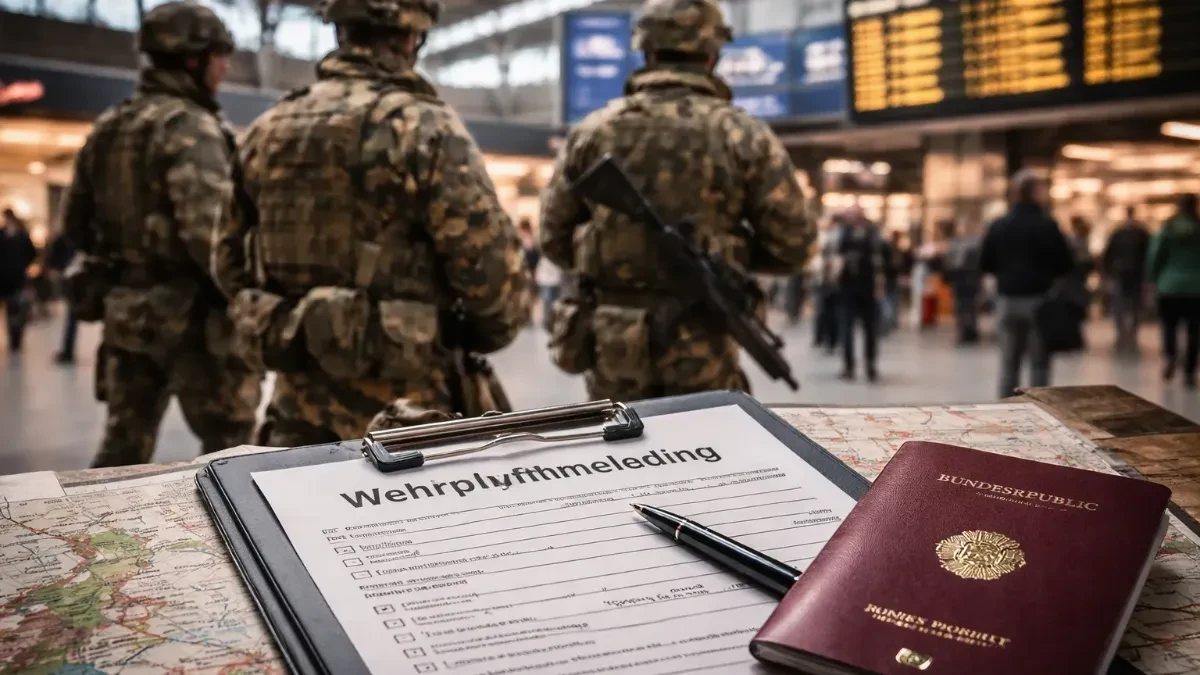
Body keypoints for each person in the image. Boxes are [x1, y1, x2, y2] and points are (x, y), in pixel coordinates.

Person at [214, 0, 530, 445]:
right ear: (410, 38)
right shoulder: (426, 127)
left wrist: (297, 323)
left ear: (341, 32)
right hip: (407, 416)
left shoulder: (268, 128)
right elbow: (494, 284)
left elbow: (228, 265)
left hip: (296, 407)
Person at [539, 0, 814, 400]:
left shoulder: (593, 131)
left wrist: (621, 258)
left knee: (619, 454)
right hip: (704, 340)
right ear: (712, 54)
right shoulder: (743, 134)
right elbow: (795, 247)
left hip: (616, 344)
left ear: (646, 50)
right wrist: (727, 257)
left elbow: (553, 237)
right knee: (708, 454)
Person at [62, 3, 261, 466]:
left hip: (128, 318)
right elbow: (212, 240)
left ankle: (97, 532)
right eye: (218, 56)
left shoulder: (110, 126)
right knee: (234, 453)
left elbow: (74, 225)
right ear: (192, 59)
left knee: (122, 451)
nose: (225, 67)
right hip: (195, 328)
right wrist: (253, 302)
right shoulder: (188, 127)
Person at [980, 170, 1074, 398]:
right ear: (1035, 192)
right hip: (1039, 301)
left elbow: (985, 262)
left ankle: (1006, 412)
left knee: (1009, 363)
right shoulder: (1047, 225)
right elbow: (1065, 263)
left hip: (1007, 300)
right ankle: (1038, 411)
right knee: (1039, 363)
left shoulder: (999, 225)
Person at [1146, 194, 1200, 388]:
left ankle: (1170, 357)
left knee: (1169, 326)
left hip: (1169, 285)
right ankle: (1189, 371)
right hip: (1196, 287)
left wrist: (1151, 279)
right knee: (1194, 330)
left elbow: (1155, 255)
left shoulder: (1167, 228)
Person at [833, 207, 888, 381]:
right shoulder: (871, 233)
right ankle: (860, 366)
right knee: (860, 328)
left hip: (860, 287)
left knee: (862, 328)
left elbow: (839, 257)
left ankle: (862, 366)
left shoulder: (851, 233)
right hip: (857, 287)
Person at [1103, 206, 1151, 353]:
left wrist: (1107, 271)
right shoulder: (1142, 233)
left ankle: (1123, 332)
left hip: (1121, 273)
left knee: (1120, 305)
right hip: (1136, 273)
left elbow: (1108, 254)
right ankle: (1131, 332)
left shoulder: (1118, 233)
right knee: (1134, 305)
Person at [0, 208, 36, 352]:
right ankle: (12, 338)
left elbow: (31, 252)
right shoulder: (2, 234)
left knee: (17, 309)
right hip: (3, 278)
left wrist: (22, 264)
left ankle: (16, 338)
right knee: (9, 309)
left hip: (17, 277)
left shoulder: (21, 235)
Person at [943, 221, 983, 344]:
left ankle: (966, 330)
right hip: (968, 278)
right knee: (968, 305)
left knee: (963, 305)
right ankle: (969, 329)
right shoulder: (976, 242)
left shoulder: (956, 243)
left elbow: (949, 262)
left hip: (964, 278)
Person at [44, 232, 78, 363]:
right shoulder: (65, 238)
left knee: (72, 316)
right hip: (72, 276)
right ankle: (68, 351)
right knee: (72, 316)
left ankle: (68, 351)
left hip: (74, 277)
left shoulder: (67, 238)